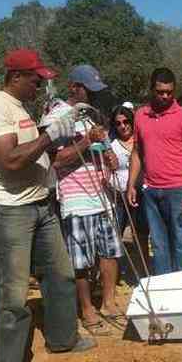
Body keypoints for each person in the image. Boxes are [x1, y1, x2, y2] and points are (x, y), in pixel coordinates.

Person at [0, 49, 95, 362]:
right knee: (11, 294)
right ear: (16, 77)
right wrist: (48, 135)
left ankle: (62, 339)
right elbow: (10, 160)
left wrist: (68, 138)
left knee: (60, 274)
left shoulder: (20, 108)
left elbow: (43, 154)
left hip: (39, 204)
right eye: (35, 79)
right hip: (11, 210)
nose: (40, 85)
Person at [46, 64, 122, 335]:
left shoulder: (90, 117)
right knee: (81, 260)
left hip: (102, 195)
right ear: (74, 87)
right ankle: (87, 309)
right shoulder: (57, 115)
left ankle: (109, 302)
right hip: (76, 198)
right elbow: (57, 160)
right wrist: (86, 142)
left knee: (110, 251)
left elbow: (103, 149)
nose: (91, 95)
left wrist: (111, 158)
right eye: (87, 90)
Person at [127, 67, 182, 275]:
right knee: (159, 245)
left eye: (169, 92)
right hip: (150, 191)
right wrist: (131, 184)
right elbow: (136, 152)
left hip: (178, 190)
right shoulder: (141, 115)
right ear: (152, 89)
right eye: (161, 92)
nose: (166, 96)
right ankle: (164, 291)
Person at [109, 105, 150, 273]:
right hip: (118, 197)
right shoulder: (111, 145)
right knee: (115, 235)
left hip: (140, 194)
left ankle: (144, 272)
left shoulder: (141, 141)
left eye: (126, 121)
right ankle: (115, 273)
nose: (123, 126)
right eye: (118, 123)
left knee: (140, 235)